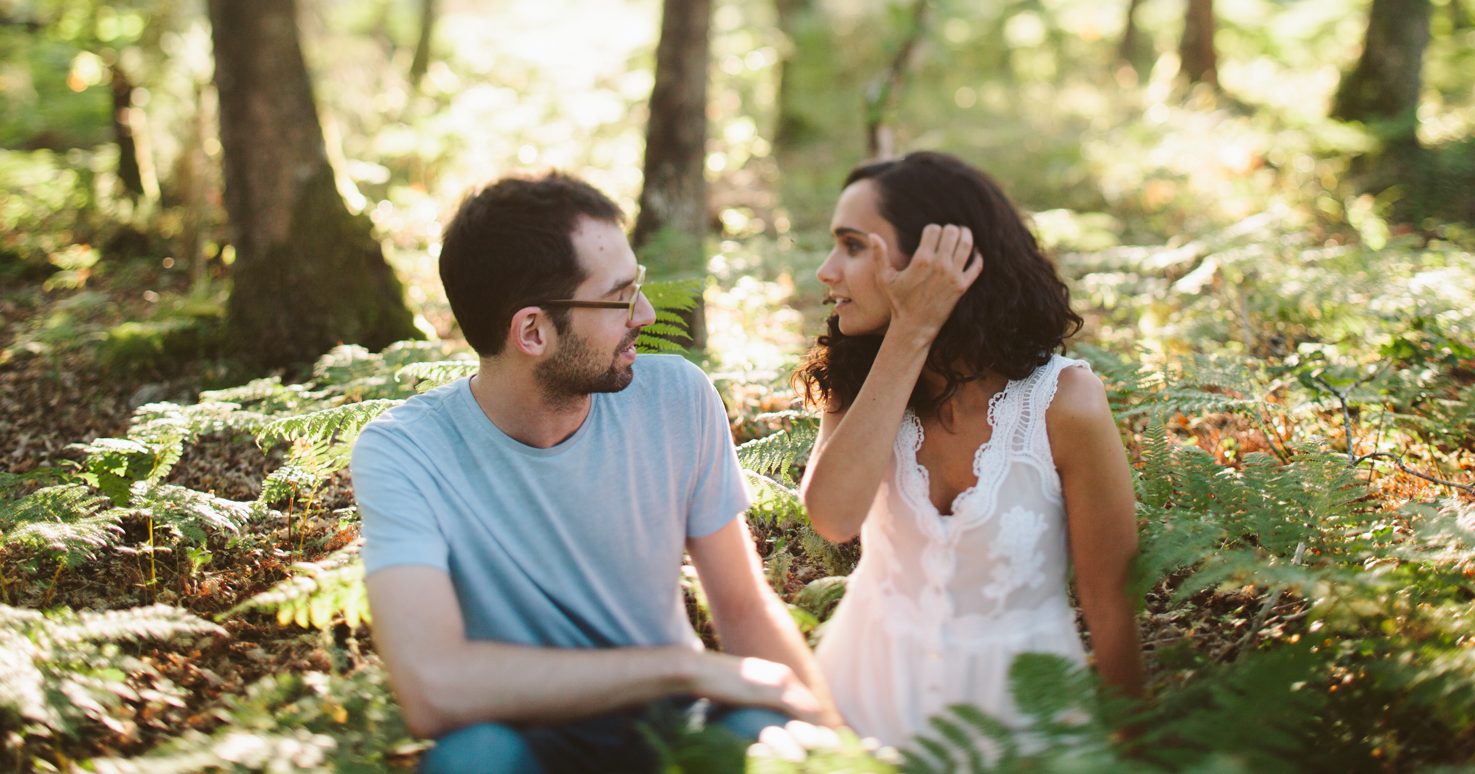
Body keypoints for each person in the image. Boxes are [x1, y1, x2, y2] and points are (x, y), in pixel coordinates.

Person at [351, 173, 838, 774]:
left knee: (765, 736)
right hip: (521, 742)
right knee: (472, 761)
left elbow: (740, 606)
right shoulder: (406, 451)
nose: (647, 312)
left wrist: (835, 740)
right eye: (619, 298)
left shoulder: (677, 397)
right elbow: (433, 688)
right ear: (533, 331)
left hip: (669, 728)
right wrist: (676, 666)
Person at [795, 151, 1143, 749]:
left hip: (1023, 718)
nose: (827, 271)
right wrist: (911, 332)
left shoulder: (1065, 404)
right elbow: (832, 518)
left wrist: (1137, 754)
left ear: (940, 259)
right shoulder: (856, 381)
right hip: (864, 695)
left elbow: (1111, 606)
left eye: (853, 246)